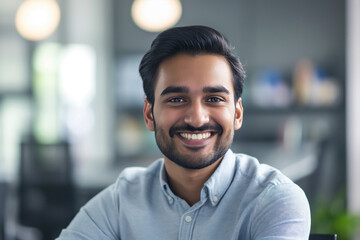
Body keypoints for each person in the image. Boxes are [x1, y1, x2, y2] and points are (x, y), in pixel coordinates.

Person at [57, 25, 311, 240]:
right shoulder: (121, 200)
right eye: (177, 100)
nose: (197, 119)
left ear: (237, 113)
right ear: (149, 115)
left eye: (214, 98)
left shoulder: (274, 199)